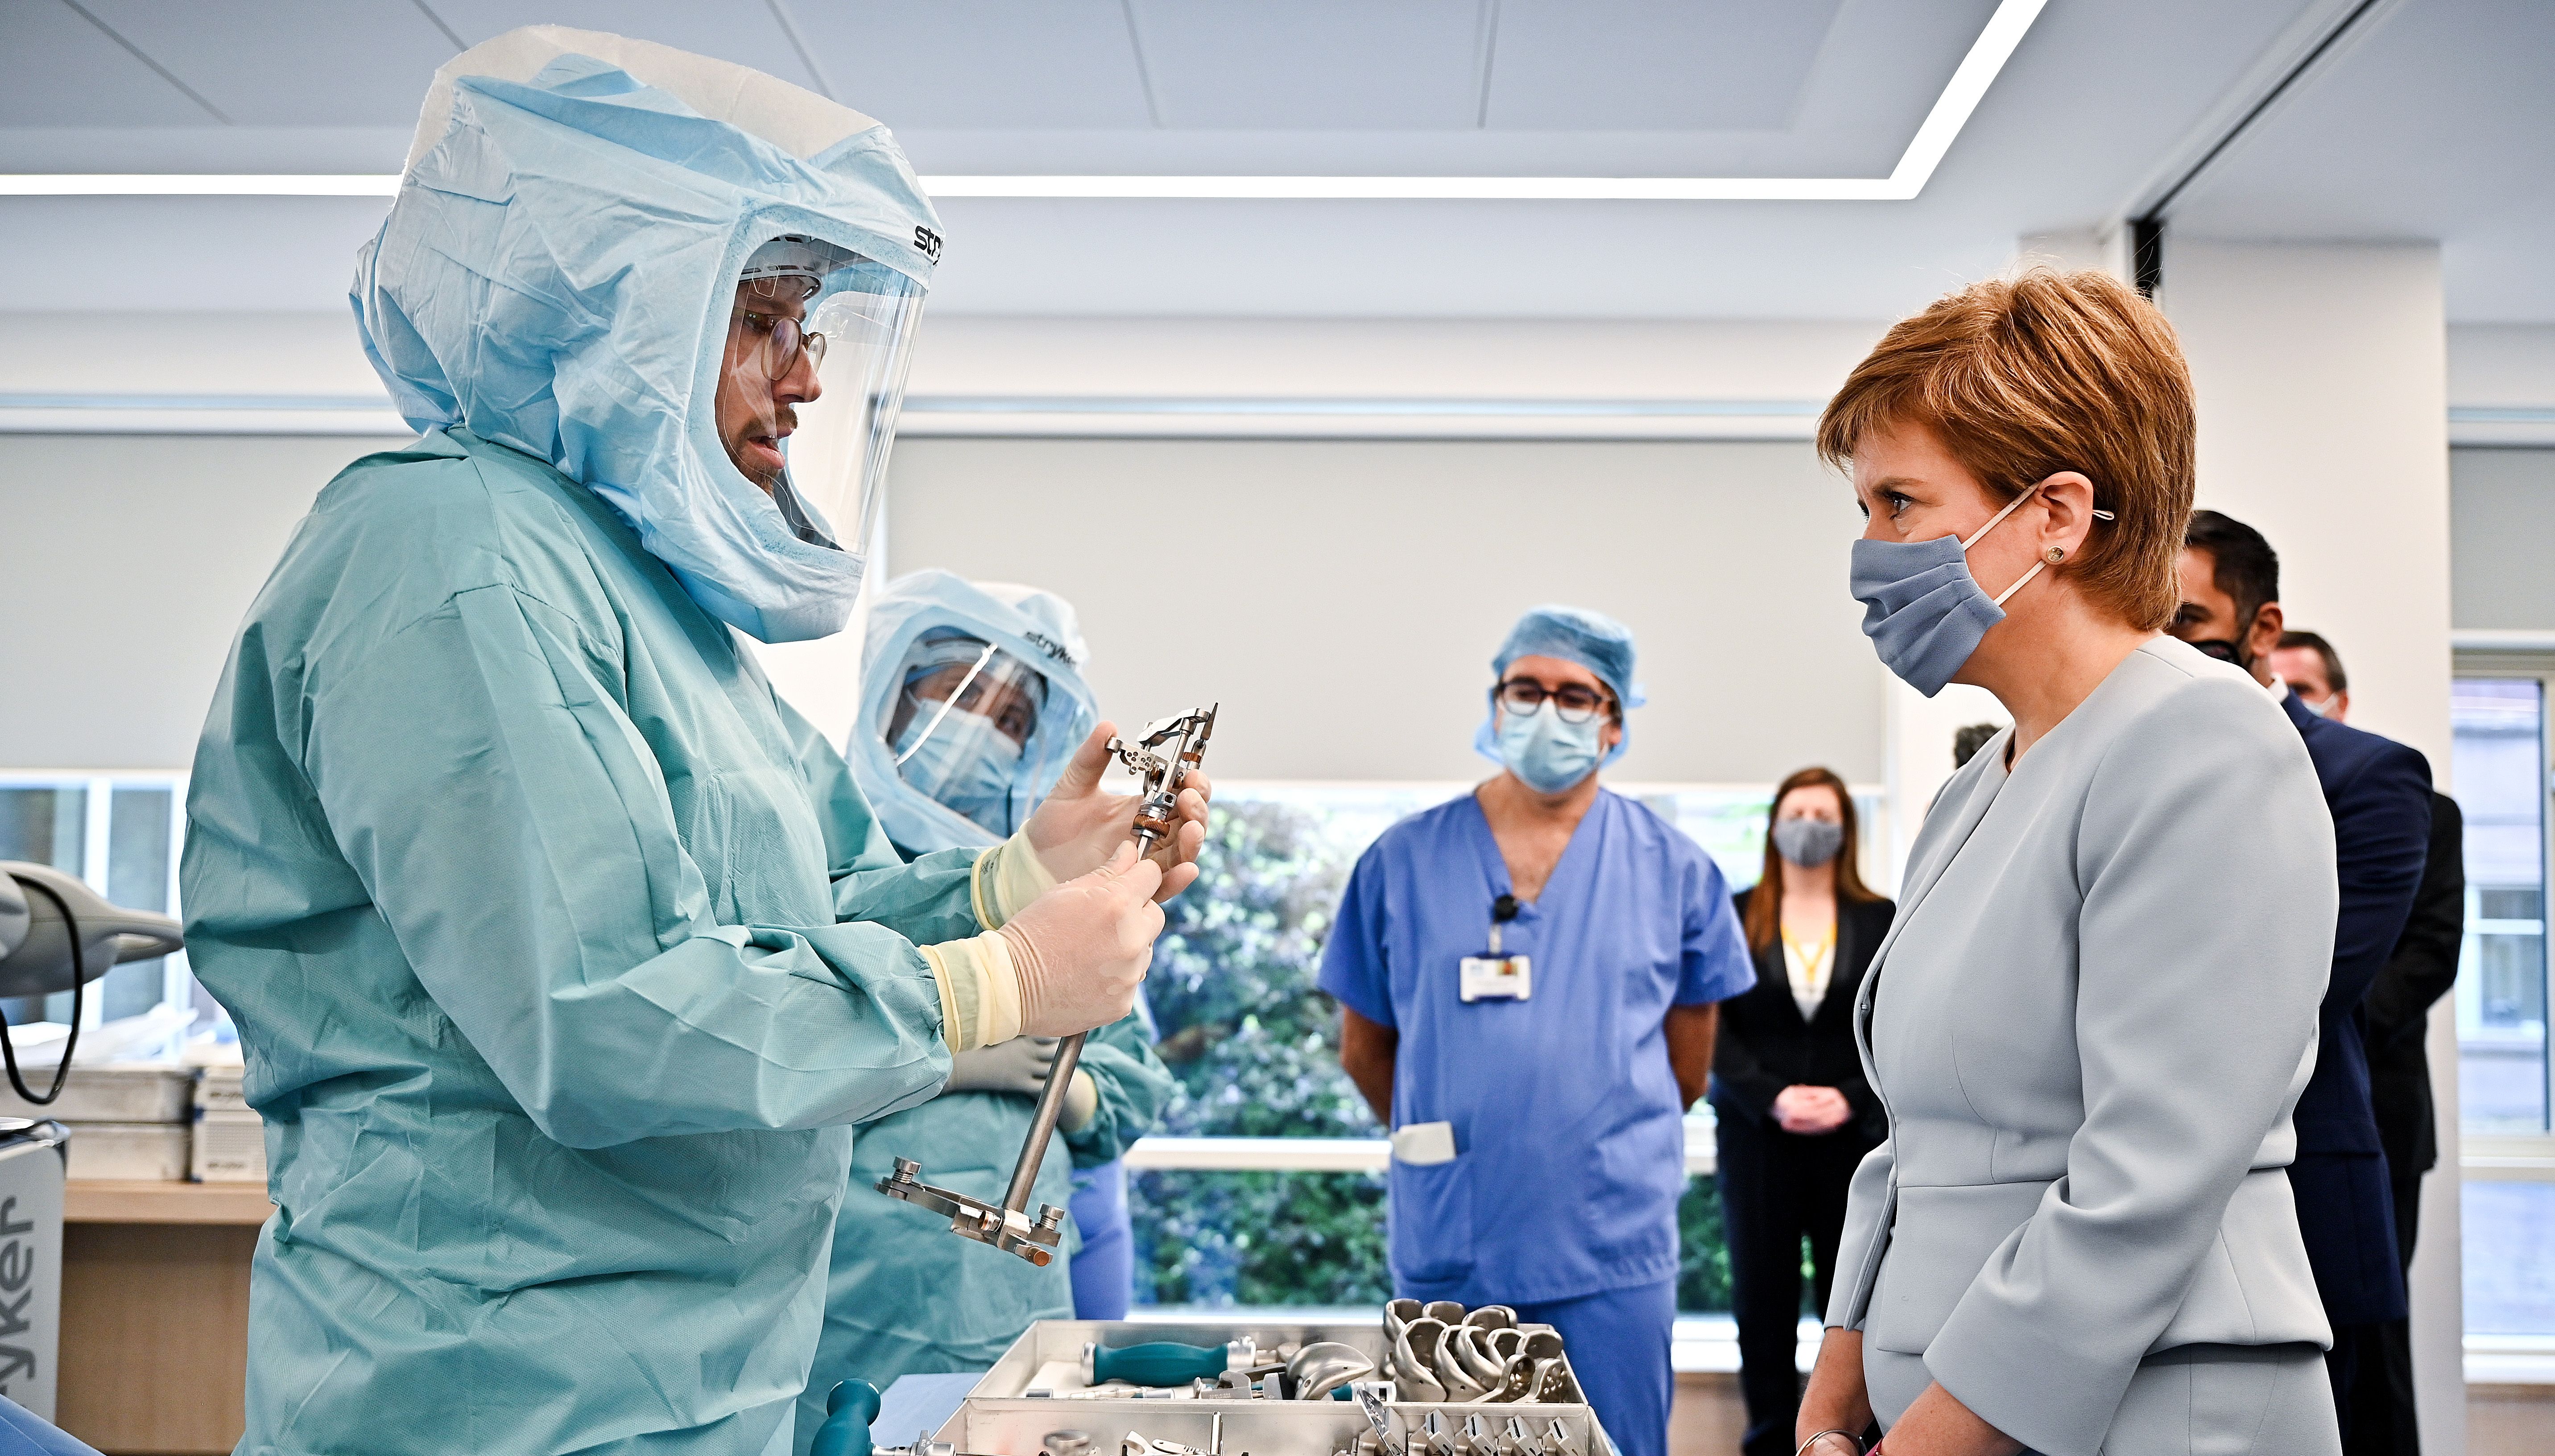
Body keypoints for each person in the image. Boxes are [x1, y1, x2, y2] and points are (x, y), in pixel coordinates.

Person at [180, 31, 1208, 1456]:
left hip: (688, 1395)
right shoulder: (447, 554)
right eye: (765, 322)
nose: (805, 380)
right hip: (494, 1405)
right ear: (609, 310)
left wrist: (1020, 877)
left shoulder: (656, 613)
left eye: (812, 330)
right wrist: (1003, 982)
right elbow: (603, 1015)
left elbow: (809, 904)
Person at [1796, 270, 2343, 1456]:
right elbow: (1921, 1136)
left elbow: (2152, 1171)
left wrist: (1935, 1434)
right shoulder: (1977, 785)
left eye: (1899, 503)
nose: (1870, 553)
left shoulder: (2201, 740)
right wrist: (1842, 1360)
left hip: (2153, 1408)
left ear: (2054, 513)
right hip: (1945, 1404)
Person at [1320, 605, 1755, 1456]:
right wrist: (1456, 1134)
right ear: (1495, 704)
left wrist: (1590, 1133)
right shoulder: (1401, 860)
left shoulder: (1675, 869)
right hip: (1455, 1242)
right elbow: (1366, 1050)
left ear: (1615, 722)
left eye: (1576, 695)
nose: (1548, 710)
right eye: (1527, 688)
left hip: (1610, 1252)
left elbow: (1689, 1066)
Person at [799, 572, 1172, 1440]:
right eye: (958, 696)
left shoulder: (1049, 880)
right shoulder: (811, 845)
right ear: (891, 693)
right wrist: (954, 1055)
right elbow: (737, 1046)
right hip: (842, 1279)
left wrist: (1065, 1086)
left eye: (1011, 721)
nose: (982, 734)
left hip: (1011, 1287)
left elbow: (1129, 1069)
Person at [2174, 514, 2432, 1447]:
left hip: (2299, 1180)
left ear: (2261, 627)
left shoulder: (2368, 778)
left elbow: (2303, 983)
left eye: (2189, 616)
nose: (2166, 643)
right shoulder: (2105, 766)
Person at [2273, 627, 2464, 1456]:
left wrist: (2334, 1010)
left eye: (2307, 689)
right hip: (2285, 1111)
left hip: (2377, 1107)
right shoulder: (2260, 792)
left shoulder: (2416, 804)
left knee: (2373, 1342)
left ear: (2339, 703)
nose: (2292, 701)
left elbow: (2428, 951)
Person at [1709, 769, 1894, 1456]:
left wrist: (1850, 1092)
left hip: (1854, 1143)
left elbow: (1898, 1022)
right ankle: (1767, 1441)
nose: (1810, 822)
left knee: (1849, 1304)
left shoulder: (1882, 915)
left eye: (1824, 811)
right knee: (1762, 1304)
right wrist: (1772, 1096)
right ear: (1774, 825)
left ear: (1845, 827)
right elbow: (1711, 1031)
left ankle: (1841, 1438)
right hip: (1759, 1139)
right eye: (1798, 810)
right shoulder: (1735, 912)